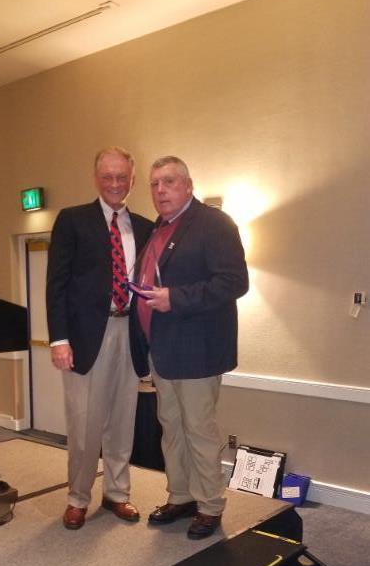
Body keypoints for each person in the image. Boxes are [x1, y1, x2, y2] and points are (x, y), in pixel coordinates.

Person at [130, 156, 249, 539]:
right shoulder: (158, 229)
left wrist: (175, 298)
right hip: (162, 350)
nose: (160, 190)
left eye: (169, 181)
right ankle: (180, 496)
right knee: (172, 428)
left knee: (199, 429)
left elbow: (234, 281)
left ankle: (210, 505)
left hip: (198, 351)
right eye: (154, 184)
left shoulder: (213, 223)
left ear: (188, 185)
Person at [46, 146, 153, 530]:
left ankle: (117, 494)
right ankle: (78, 497)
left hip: (130, 332)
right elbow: (56, 284)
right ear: (96, 178)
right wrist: (59, 339)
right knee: (84, 426)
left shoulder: (145, 227)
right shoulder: (72, 220)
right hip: (85, 338)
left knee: (122, 421)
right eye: (107, 176)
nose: (114, 183)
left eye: (122, 177)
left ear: (132, 181)